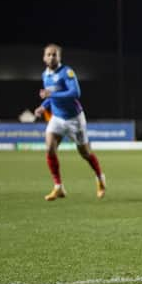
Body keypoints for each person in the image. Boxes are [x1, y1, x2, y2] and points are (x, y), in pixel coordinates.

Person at [33, 44, 106, 201]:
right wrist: (42, 106)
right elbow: (51, 98)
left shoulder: (67, 72)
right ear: (44, 57)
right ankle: (58, 187)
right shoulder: (45, 75)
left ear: (59, 57)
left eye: (55, 54)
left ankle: (100, 178)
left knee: (85, 153)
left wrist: (50, 94)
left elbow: (75, 93)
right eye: (49, 54)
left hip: (75, 119)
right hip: (57, 118)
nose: (52, 57)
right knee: (50, 149)